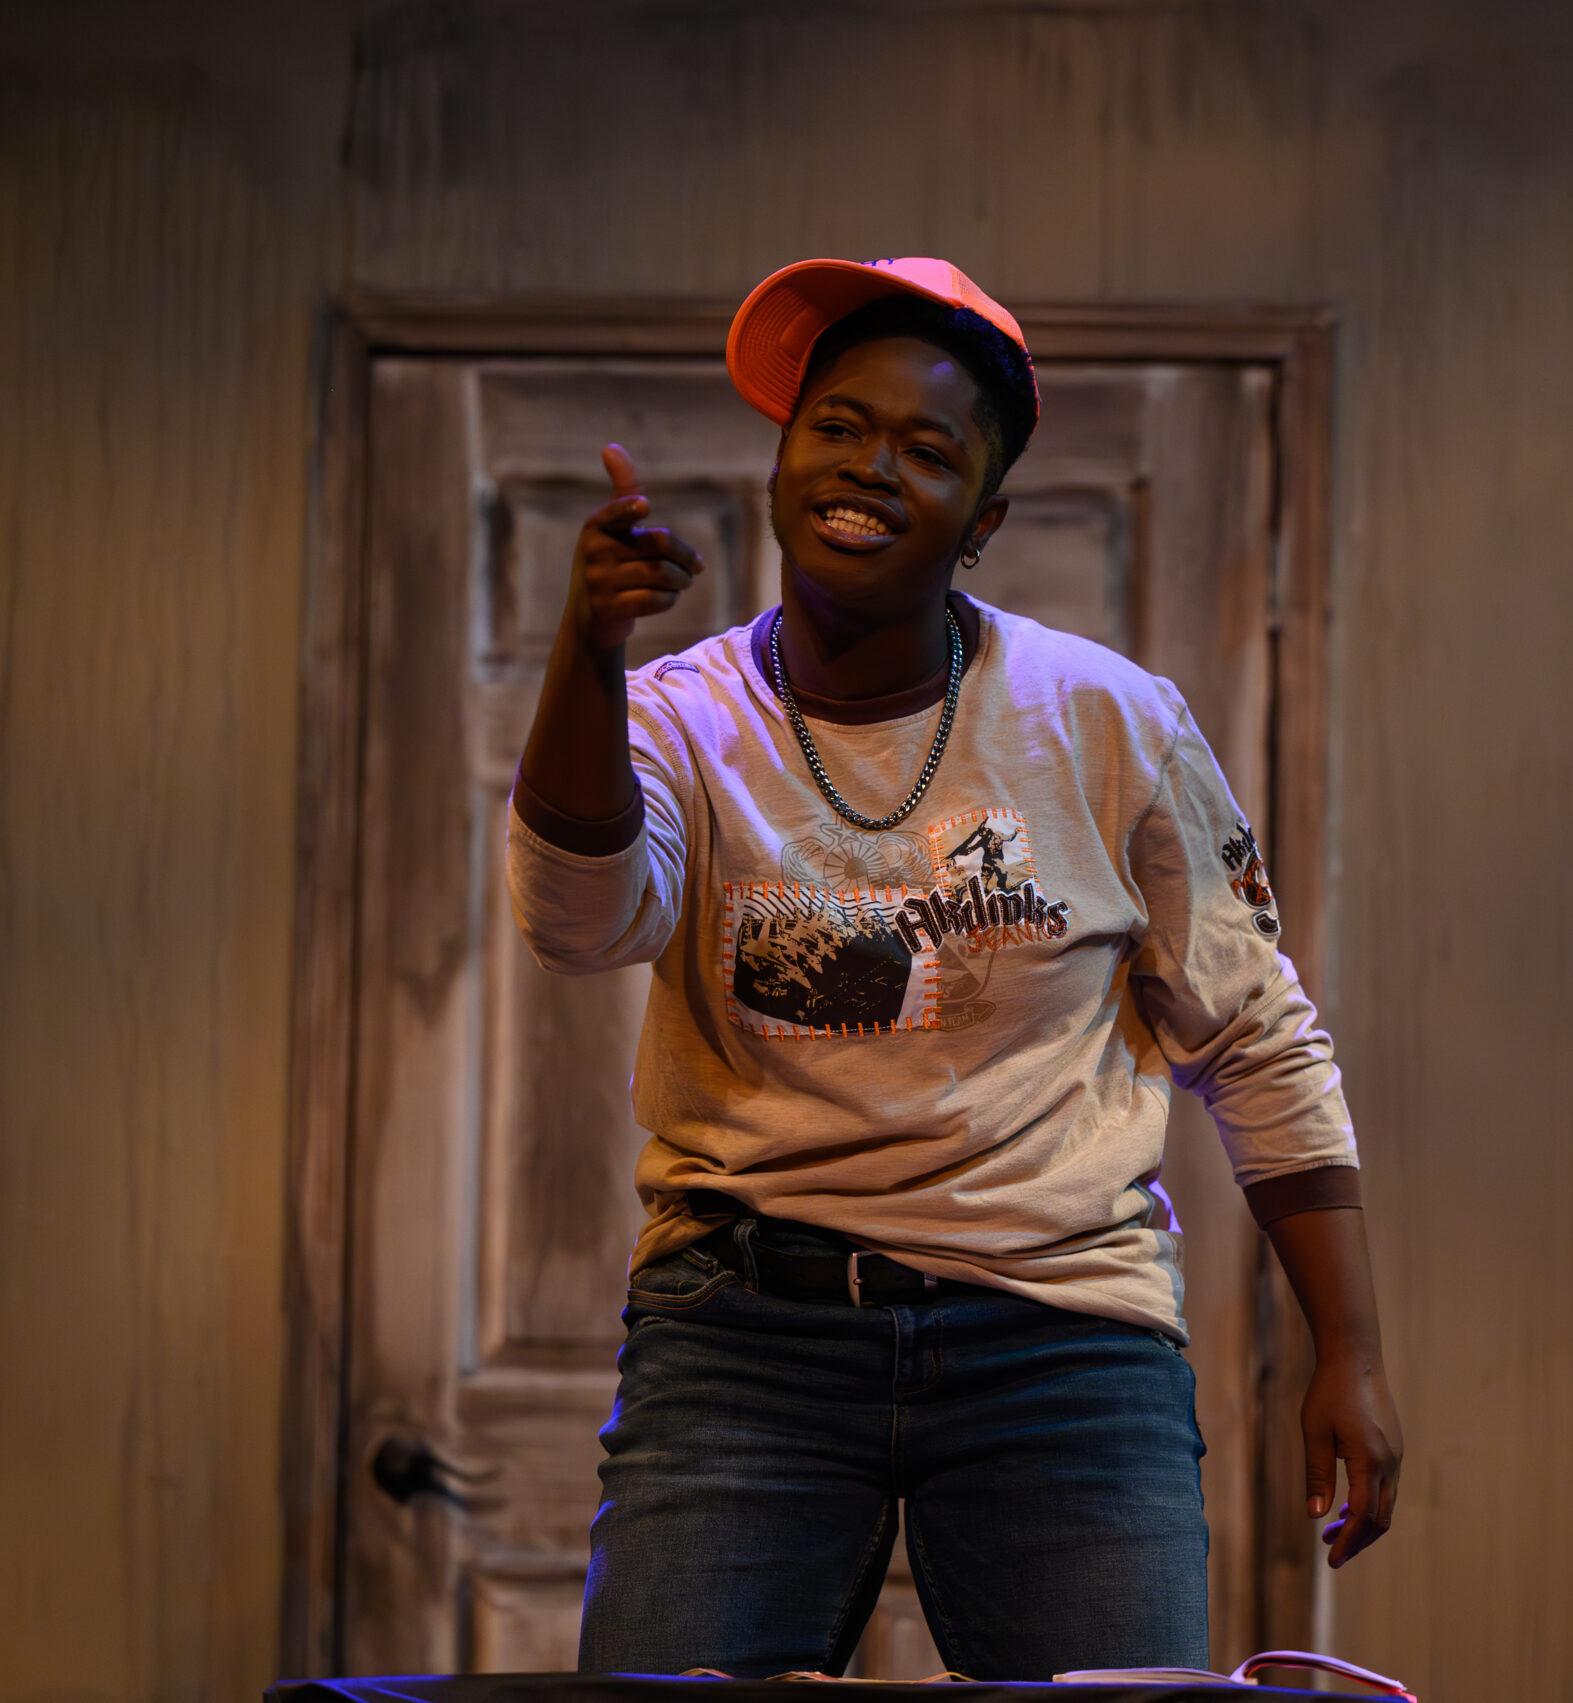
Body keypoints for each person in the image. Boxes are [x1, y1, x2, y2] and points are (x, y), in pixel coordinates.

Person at [507, 256, 1401, 1682]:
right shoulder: (676, 715)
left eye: (927, 451)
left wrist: (1346, 1349)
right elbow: (579, 922)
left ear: (981, 521)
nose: (871, 465)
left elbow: (1253, 1034)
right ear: (783, 462)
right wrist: (590, 647)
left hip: (1060, 1333)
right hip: (746, 1330)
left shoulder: (1103, 718)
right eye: (838, 426)